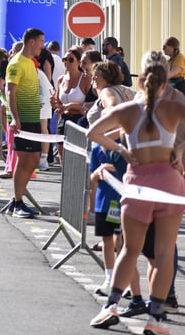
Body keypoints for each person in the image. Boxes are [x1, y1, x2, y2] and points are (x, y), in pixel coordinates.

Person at [87, 53, 185, 334]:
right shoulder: (174, 107)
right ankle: (154, 320)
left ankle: (111, 306)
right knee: (164, 253)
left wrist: (121, 149)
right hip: (168, 182)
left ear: (140, 81)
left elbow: (93, 133)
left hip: (138, 181)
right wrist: (179, 150)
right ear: (165, 83)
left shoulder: (128, 110)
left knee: (129, 249)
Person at [86, 61, 135, 298]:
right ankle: (124, 284)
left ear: (103, 78)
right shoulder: (129, 91)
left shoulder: (108, 93)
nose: (93, 82)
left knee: (113, 234)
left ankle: (115, 280)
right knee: (122, 234)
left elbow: (116, 111)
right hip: (127, 155)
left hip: (113, 154)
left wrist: (107, 137)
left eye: (94, 78)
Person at [5, 27, 45, 219]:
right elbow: (10, 91)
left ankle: (17, 200)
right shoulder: (16, 63)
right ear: (31, 42)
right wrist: (15, 118)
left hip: (33, 118)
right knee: (23, 159)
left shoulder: (30, 62)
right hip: (23, 119)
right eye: (41, 42)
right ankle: (18, 202)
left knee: (34, 159)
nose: (42, 46)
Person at [51, 47, 92, 163]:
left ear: (78, 62)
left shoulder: (85, 79)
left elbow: (90, 104)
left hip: (79, 120)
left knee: (78, 157)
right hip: (64, 120)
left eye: (70, 60)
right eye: (64, 59)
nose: (66, 63)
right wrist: (54, 103)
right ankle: (64, 174)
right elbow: (58, 103)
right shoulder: (61, 79)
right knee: (62, 156)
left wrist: (70, 106)